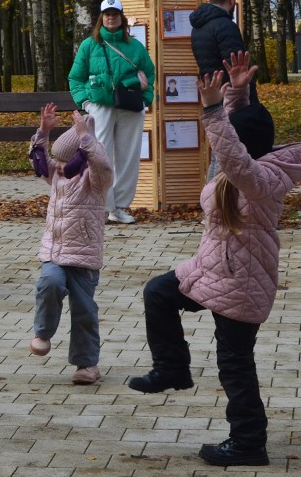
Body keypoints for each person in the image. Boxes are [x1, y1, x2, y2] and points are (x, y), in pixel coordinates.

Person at [128, 52, 301, 467]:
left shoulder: (259, 179)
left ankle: (248, 443)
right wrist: (237, 94)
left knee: (235, 365)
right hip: (212, 269)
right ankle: (172, 369)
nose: (220, 151)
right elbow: (240, 140)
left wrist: (211, 111)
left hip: (241, 283)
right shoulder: (248, 165)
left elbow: (236, 152)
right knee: (158, 292)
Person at [27, 105, 113, 385]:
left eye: (65, 163)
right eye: (57, 162)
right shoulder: (57, 176)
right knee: (49, 283)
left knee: (84, 310)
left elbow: (103, 164)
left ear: (82, 158)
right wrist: (44, 131)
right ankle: (43, 333)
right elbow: (38, 161)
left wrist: (86, 138)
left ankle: (87, 364)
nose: (59, 168)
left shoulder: (95, 179)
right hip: (54, 251)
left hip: (84, 256)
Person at [69, 0, 155, 225]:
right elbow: (75, 78)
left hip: (130, 105)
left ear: (121, 17)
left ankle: (119, 208)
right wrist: (85, 103)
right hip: (101, 106)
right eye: (107, 14)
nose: (111, 18)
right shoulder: (89, 45)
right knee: (100, 156)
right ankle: (102, 206)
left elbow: (150, 73)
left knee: (128, 157)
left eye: (115, 14)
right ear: (101, 18)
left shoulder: (135, 46)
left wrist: (146, 98)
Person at [190, 0, 257, 103]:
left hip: (212, 97)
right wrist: (252, 100)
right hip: (232, 98)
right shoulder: (226, 26)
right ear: (231, 0)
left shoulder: (197, 28)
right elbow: (238, 66)